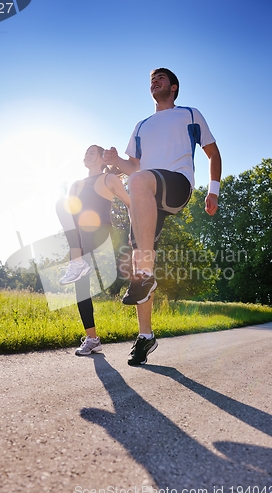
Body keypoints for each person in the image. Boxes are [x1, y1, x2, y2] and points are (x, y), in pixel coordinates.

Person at [103, 68, 222, 366]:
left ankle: (145, 274)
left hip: (177, 184)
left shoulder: (189, 114)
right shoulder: (141, 125)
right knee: (138, 259)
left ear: (174, 87)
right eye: (150, 80)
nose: (154, 82)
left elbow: (213, 154)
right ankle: (145, 336)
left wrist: (213, 191)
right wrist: (114, 160)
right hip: (147, 193)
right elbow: (133, 167)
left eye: (160, 78)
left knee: (140, 182)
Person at [56, 145, 130, 356]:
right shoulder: (77, 184)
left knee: (86, 222)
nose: (86, 155)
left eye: (91, 152)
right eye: (85, 152)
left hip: (100, 233)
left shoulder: (109, 179)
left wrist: (138, 233)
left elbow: (130, 203)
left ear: (101, 159)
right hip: (80, 239)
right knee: (81, 288)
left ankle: (76, 261)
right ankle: (92, 339)